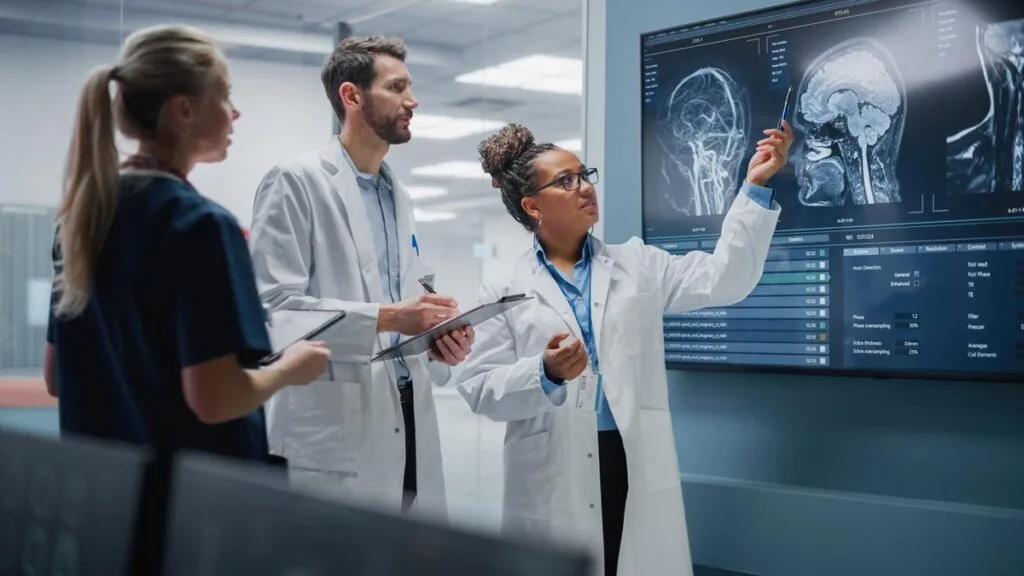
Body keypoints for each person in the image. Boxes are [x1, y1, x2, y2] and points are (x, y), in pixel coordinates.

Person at [456, 121, 794, 575]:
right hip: (554, 465)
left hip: (629, 454)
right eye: (566, 180)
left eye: (584, 174)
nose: (584, 188)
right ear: (533, 205)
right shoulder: (503, 287)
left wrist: (754, 186)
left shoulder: (638, 264)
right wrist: (545, 372)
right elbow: (479, 387)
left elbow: (726, 279)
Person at [42, 25, 330, 463]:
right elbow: (215, 399)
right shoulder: (201, 226)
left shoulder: (81, 221)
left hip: (109, 493)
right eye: (225, 96)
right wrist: (290, 369)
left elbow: (58, 378)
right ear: (183, 110)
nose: (236, 114)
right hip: (189, 500)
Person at [248, 35, 474, 517]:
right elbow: (273, 311)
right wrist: (390, 317)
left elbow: (410, 298)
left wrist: (439, 335)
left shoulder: (401, 197)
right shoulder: (295, 181)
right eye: (397, 88)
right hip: (335, 429)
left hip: (407, 414)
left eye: (410, 88)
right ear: (352, 96)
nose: (412, 101)